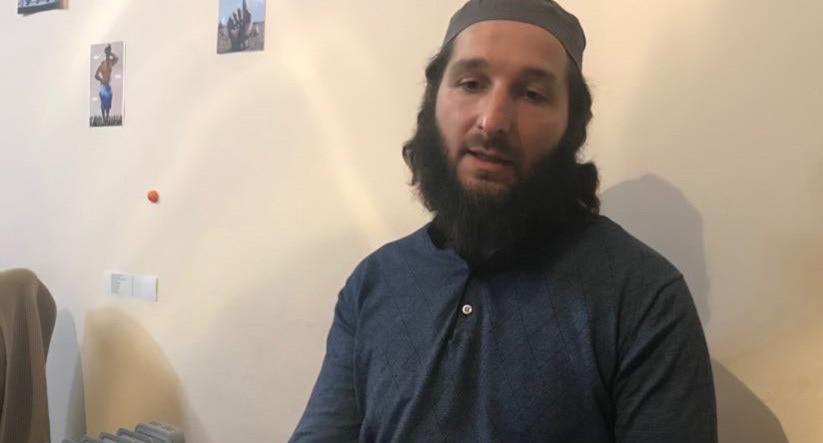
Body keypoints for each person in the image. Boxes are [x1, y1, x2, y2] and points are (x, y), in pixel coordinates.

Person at [290, 0, 717, 441]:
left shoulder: (644, 299)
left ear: (572, 126)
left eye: (532, 94)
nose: (493, 121)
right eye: (471, 83)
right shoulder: (374, 283)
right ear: (433, 102)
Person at [94, 44, 118, 124]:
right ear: (105, 52)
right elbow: (96, 75)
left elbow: (116, 58)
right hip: (103, 86)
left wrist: (110, 53)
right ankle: (104, 119)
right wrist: (101, 79)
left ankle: (107, 118)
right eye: (107, 51)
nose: (108, 52)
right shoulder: (102, 64)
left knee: (108, 102)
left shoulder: (111, 62)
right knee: (103, 102)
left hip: (108, 85)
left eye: (109, 51)